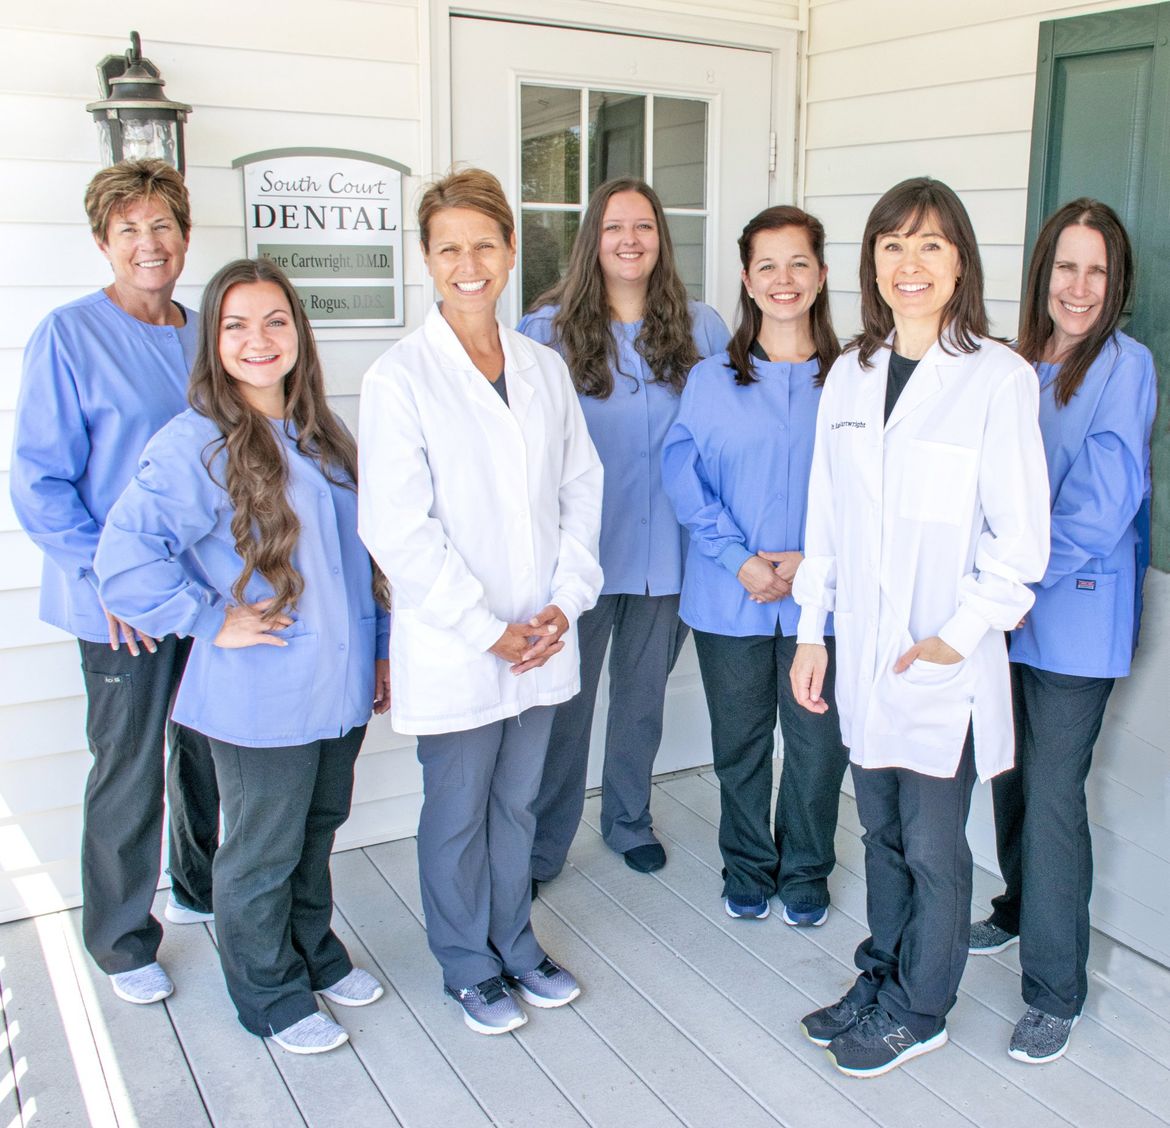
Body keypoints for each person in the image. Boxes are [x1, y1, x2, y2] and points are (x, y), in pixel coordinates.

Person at [94, 258, 391, 1054]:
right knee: (262, 850)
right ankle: (268, 994)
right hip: (262, 691)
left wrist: (383, 653)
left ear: (299, 332)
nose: (257, 340)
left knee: (317, 831)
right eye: (235, 324)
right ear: (213, 342)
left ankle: (313, 954)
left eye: (274, 321)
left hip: (340, 680)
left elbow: (367, 561)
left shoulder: (324, 433)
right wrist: (205, 617)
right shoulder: (197, 444)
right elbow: (123, 558)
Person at [789, 177, 1050, 1077]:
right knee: (881, 835)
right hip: (858, 653)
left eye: (931, 245)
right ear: (872, 262)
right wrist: (811, 631)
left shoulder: (997, 378)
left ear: (961, 262)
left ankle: (921, 1006)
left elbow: (1022, 542)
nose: (911, 263)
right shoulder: (850, 373)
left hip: (944, 661)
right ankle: (886, 972)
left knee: (935, 846)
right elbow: (822, 515)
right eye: (894, 244)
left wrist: (957, 633)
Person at [357, 169, 603, 1036]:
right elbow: (399, 529)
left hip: (540, 634)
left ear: (508, 253)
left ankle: (516, 942)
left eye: (484, 246)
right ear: (427, 259)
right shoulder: (400, 378)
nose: (469, 264)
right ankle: (468, 962)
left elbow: (582, 486)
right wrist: (486, 628)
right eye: (449, 248)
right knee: (458, 811)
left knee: (517, 806)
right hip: (462, 641)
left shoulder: (542, 367)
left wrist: (564, 604)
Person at [9, 160, 220, 1005]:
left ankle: (200, 886)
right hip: (116, 605)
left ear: (184, 236)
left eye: (161, 225)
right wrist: (109, 586)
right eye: (128, 228)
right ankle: (123, 939)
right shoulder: (68, 335)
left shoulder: (209, 330)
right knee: (129, 765)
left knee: (205, 751)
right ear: (103, 241)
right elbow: (39, 480)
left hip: (204, 594)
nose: (148, 243)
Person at [968, 200, 1157, 1064]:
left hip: (1073, 612)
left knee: (1052, 793)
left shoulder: (1126, 366)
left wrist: (1011, 575)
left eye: (1097, 271)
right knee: (1007, 772)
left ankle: (1055, 988)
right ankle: (1015, 909)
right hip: (1005, 612)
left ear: (1115, 284)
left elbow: (1103, 504)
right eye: (1066, 267)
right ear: (1042, 270)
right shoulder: (1008, 363)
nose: (1078, 287)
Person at [518, 178, 729, 883]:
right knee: (563, 709)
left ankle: (627, 819)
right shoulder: (542, 333)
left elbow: (726, 437)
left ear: (661, 238)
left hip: (667, 553)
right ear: (592, 240)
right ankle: (545, 844)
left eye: (644, 225)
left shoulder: (703, 328)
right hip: (576, 559)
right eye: (614, 227)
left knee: (641, 702)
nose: (630, 240)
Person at [662, 205, 849, 925]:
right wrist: (739, 560)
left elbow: (869, 493)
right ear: (746, 277)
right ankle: (747, 864)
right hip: (727, 594)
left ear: (822, 274)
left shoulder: (853, 379)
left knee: (814, 746)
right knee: (739, 744)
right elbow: (685, 479)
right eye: (767, 265)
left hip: (820, 599)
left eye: (798, 262)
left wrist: (813, 564)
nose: (783, 279)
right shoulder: (711, 380)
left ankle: (805, 869)